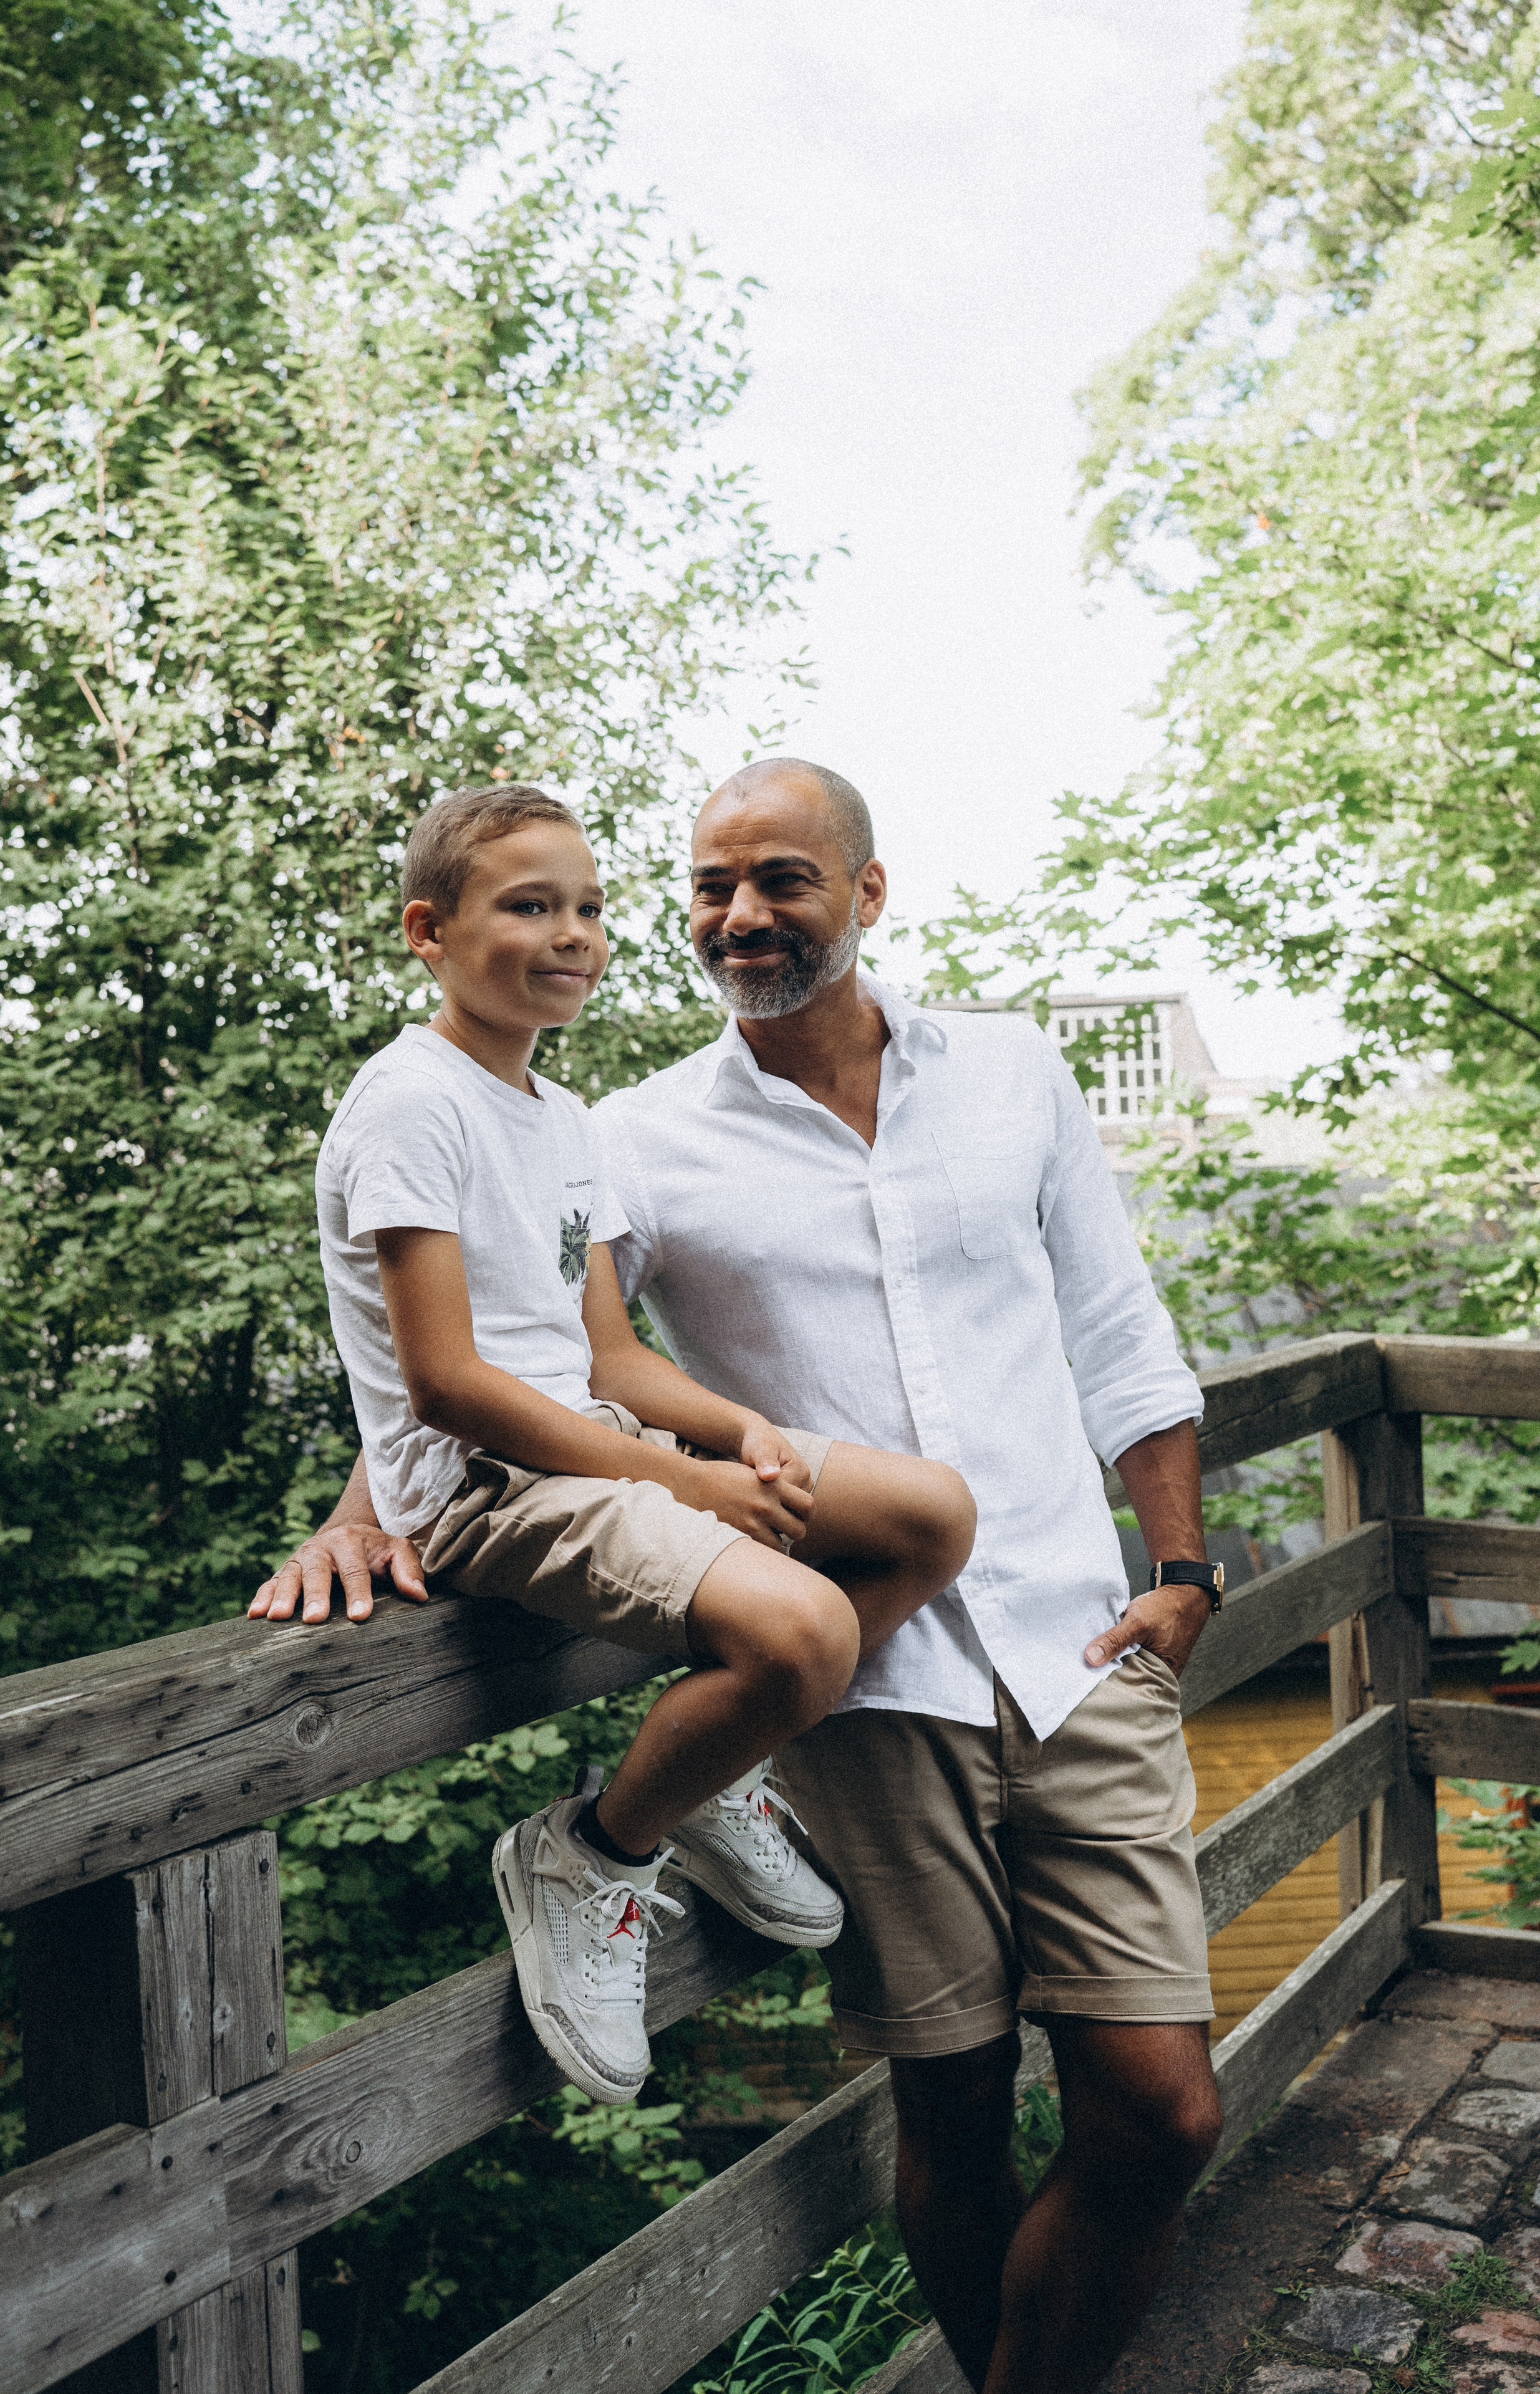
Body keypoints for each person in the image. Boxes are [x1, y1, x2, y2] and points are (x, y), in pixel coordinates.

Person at [262, 759, 1225, 2394]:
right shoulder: (628, 1135)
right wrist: (364, 1504)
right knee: (957, 2100)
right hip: (867, 1695)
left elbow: (1118, 1327)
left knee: (1161, 2106)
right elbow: (513, 1345)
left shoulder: (1013, 1075)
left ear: (867, 891)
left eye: (781, 878)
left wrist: (1188, 1562)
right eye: (711, 886)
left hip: (1077, 1642)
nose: (740, 914)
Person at [251, 781, 975, 2113]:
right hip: (490, 1488)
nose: (572, 934)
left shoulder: (563, 1118)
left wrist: (738, 1432)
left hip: (595, 1443)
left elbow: (608, 1358)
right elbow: (449, 1384)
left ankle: (709, 1770)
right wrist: (687, 1485)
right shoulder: (412, 1103)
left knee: (928, 1515)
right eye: (529, 907)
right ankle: (594, 1848)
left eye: (587, 907)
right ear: (429, 930)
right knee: (804, 1633)